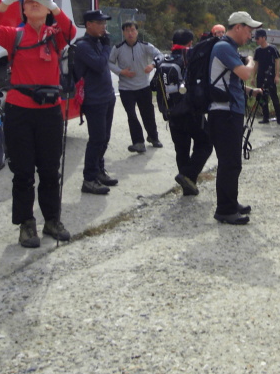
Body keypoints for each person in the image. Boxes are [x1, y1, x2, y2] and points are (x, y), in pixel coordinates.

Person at [0, 0, 76, 248]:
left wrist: (55, 7)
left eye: (40, 1)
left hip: (49, 112)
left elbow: (72, 33)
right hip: (19, 112)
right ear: (23, 10)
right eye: (29, 2)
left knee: (50, 171)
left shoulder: (55, 33)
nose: (34, 3)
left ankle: (52, 220)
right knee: (23, 172)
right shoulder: (15, 35)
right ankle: (26, 224)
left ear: (46, 9)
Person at [209, 11, 264, 225]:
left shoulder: (228, 48)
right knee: (229, 162)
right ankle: (225, 209)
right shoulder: (223, 47)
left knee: (232, 161)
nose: (250, 35)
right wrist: (251, 60)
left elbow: (232, 81)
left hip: (229, 111)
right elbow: (245, 73)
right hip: (224, 113)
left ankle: (230, 202)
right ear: (238, 27)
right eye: (248, 30)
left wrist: (250, 92)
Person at [162, 29, 214, 196]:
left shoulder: (164, 59)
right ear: (190, 43)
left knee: (181, 150)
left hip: (171, 113)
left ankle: (188, 187)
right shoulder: (191, 58)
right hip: (191, 111)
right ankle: (188, 175)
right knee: (205, 143)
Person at [73, 10, 117, 195]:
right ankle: (89, 179)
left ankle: (99, 170)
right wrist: (107, 47)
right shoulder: (82, 46)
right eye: (99, 23)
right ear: (89, 24)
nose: (103, 26)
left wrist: (104, 45)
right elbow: (99, 65)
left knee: (104, 138)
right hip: (94, 99)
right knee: (96, 139)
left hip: (107, 96)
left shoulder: (98, 42)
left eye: (104, 23)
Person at [110, 21, 163, 153]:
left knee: (148, 114)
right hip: (126, 88)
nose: (130, 33)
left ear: (137, 32)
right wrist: (121, 72)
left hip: (143, 87)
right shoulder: (117, 48)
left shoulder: (145, 46)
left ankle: (153, 137)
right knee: (131, 115)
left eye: (132, 30)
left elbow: (160, 56)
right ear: (123, 33)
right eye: (127, 31)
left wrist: (152, 65)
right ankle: (138, 142)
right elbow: (109, 63)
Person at [253, 29, 280, 125]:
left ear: (264, 38)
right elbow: (256, 64)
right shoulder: (257, 50)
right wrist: (253, 77)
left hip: (270, 76)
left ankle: (279, 118)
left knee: (274, 97)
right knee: (261, 97)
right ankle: (265, 117)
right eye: (255, 38)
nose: (256, 40)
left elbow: (277, 61)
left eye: (258, 38)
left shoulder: (272, 49)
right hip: (260, 77)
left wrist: (277, 75)